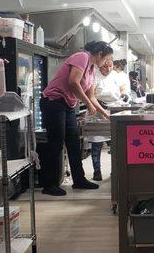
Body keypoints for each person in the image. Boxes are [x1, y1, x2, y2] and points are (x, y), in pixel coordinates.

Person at [40, 41, 112, 196]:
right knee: (56, 144)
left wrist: (106, 114)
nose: (106, 62)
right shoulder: (82, 57)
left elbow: (91, 96)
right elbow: (73, 82)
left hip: (67, 105)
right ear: (100, 54)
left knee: (73, 143)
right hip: (53, 101)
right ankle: (49, 184)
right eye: (106, 58)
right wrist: (87, 104)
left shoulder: (92, 70)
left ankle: (79, 180)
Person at [87, 59, 123, 181]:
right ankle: (97, 172)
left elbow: (122, 88)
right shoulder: (93, 75)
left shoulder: (115, 75)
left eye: (110, 66)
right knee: (96, 145)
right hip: (98, 111)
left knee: (115, 145)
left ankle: (116, 171)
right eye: (105, 66)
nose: (108, 69)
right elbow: (91, 96)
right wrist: (103, 110)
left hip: (114, 110)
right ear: (100, 65)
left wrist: (124, 95)